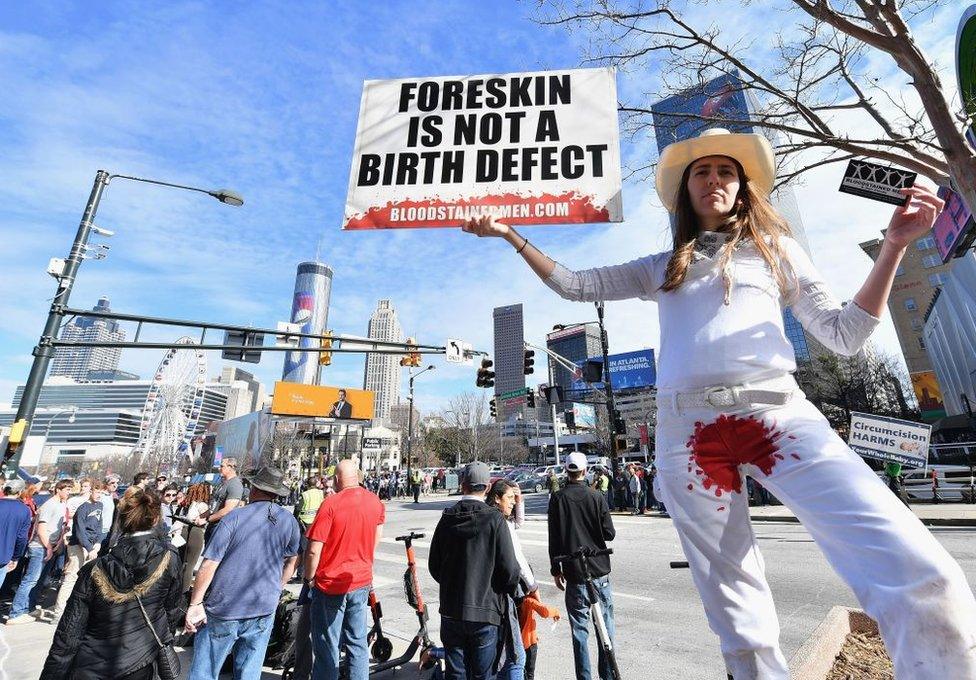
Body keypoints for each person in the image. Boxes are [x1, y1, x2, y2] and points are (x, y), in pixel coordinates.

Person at [462, 127, 976, 678]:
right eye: (702, 172)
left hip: (778, 415)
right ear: (685, 191)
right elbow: (572, 283)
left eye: (726, 171)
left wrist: (895, 245)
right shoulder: (661, 266)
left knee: (921, 573)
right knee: (739, 618)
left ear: (743, 186)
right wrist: (510, 233)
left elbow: (845, 334)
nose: (714, 180)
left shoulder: (777, 252)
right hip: (688, 435)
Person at [40, 487, 183, 680]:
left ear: (121, 520)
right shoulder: (170, 557)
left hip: (94, 666)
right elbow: (171, 612)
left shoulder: (94, 569)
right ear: (156, 519)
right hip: (138, 662)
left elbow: (68, 636)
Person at [184, 465, 301, 679]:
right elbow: (293, 560)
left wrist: (195, 603)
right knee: (249, 673)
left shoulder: (234, 518)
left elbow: (209, 564)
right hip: (263, 606)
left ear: (254, 488)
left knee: (205, 671)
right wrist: (278, 587)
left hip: (226, 606)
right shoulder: (288, 520)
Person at [428, 461, 520, 679]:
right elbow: (510, 569)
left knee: (456, 674)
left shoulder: (447, 518)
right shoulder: (495, 519)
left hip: (452, 610)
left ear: (462, 485)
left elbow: (434, 565)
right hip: (486, 611)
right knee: (484, 675)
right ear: (487, 487)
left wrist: (452, 583)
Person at [304, 459, 385, 680]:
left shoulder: (331, 504)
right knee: (357, 642)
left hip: (330, 584)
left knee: (326, 644)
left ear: (338, 479)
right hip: (360, 580)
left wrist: (309, 578)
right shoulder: (374, 501)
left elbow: (313, 549)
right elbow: (378, 535)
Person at [547, 453, 616, 680]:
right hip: (599, 569)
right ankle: (608, 675)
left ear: (567, 471)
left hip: (574, 572)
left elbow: (554, 538)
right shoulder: (596, 497)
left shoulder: (558, 499)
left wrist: (556, 569)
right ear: (585, 472)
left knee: (579, 632)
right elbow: (609, 533)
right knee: (605, 628)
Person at [486, 479, 534, 680]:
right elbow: (517, 558)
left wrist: (519, 498)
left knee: (501, 650)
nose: (513, 502)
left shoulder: (493, 518)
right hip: (505, 592)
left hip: (492, 593)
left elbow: (519, 523)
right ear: (497, 499)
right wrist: (533, 585)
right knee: (516, 655)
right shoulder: (500, 522)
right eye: (510, 498)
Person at [7, 480, 72, 625]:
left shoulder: (62, 505)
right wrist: (48, 547)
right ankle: (15, 613)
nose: (69, 492)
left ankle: (27, 608)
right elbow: (41, 529)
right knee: (30, 579)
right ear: (58, 490)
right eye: (67, 489)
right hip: (39, 547)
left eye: (70, 489)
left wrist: (57, 543)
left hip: (50, 546)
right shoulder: (50, 505)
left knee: (38, 580)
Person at [53, 481, 105, 620]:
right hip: (78, 545)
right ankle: (58, 612)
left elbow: (100, 526)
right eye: (97, 491)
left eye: (101, 492)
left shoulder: (100, 505)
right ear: (91, 492)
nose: (99, 495)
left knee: (87, 579)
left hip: (92, 546)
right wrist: (88, 547)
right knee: (71, 577)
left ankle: (77, 609)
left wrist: (98, 543)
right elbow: (79, 530)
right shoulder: (83, 508)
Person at [175, 482, 211, 593]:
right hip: (196, 533)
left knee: (181, 563)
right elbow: (204, 520)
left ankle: (174, 588)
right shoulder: (202, 505)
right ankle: (183, 591)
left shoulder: (186, 504)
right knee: (190, 566)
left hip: (184, 532)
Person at [518, 590, 561, 680]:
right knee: (529, 673)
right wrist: (556, 612)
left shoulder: (510, 597)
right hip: (529, 643)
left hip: (514, 642)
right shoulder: (528, 600)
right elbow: (545, 612)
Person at [0, 480, 32, 593]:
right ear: (19, 492)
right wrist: (16, 557)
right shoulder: (24, 510)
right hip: (4, 556)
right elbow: (22, 538)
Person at [205, 456, 244, 543]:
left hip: (220, 529)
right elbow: (214, 506)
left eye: (222, 466)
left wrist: (208, 519)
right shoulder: (223, 483)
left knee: (211, 557)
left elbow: (228, 510)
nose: (219, 468)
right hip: (212, 527)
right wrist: (201, 516)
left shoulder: (235, 484)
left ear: (230, 467)